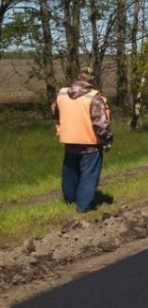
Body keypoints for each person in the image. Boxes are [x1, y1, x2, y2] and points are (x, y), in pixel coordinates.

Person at [51, 67, 113, 213]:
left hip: (69, 139)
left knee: (70, 171)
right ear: (92, 80)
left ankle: (70, 200)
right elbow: (101, 124)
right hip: (90, 143)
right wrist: (108, 139)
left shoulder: (62, 93)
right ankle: (83, 207)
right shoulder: (94, 98)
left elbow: (53, 111)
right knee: (89, 175)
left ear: (78, 77)